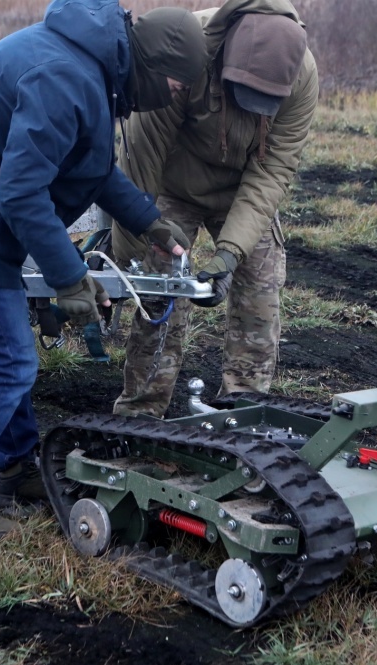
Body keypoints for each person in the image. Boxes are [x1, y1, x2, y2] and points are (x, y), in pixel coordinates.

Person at [0, 0, 206, 534]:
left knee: (7, 354)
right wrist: (68, 277)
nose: (173, 97)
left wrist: (150, 222)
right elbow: (20, 194)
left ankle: (15, 470)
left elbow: (93, 168)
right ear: (153, 65)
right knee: (11, 364)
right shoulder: (66, 76)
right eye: (175, 87)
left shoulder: (91, 70)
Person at [110, 0, 317, 419]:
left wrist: (230, 252)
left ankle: (244, 414)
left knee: (260, 294)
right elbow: (143, 160)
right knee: (162, 291)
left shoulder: (301, 76)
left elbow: (272, 171)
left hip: (244, 190)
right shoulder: (186, 49)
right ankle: (140, 413)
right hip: (174, 184)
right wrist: (128, 260)